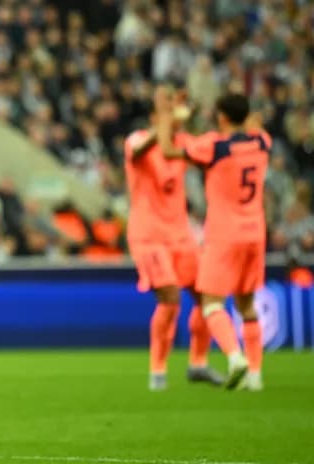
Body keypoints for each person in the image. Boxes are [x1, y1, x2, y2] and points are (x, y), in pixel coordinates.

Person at [159, 93, 270, 391]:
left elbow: (168, 150)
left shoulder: (214, 146)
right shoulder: (262, 142)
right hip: (255, 232)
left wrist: (167, 116)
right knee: (247, 305)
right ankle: (255, 375)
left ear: (221, 117)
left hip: (224, 234)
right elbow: (255, 125)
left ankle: (235, 358)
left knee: (211, 303)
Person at [122, 86, 223, 391]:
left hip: (180, 233)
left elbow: (209, 149)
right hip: (149, 236)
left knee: (208, 294)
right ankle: (157, 370)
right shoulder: (137, 139)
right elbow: (139, 151)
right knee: (169, 299)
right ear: (154, 117)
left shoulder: (182, 142)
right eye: (165, 111)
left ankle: (198, 364)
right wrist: (166, 119)